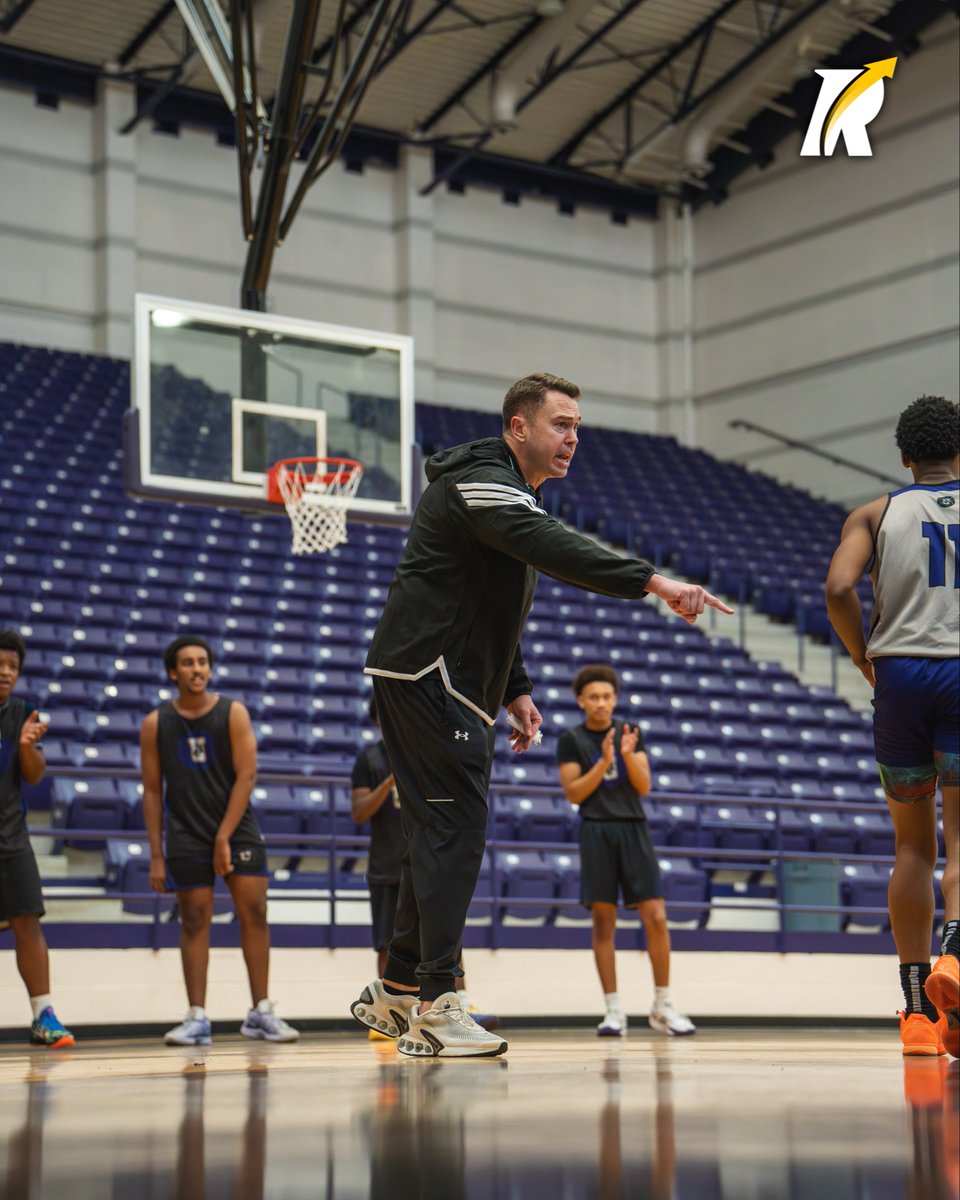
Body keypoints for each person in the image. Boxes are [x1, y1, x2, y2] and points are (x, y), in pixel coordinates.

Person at [349, 372, 732, 1057]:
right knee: (454, 833)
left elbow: (495, 604)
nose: (573, 438)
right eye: (561, 424)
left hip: (445, 679)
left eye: (578, 427)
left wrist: (514, 686)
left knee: (439, 831)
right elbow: (553, 549)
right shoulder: (483, 481)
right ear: (518, 427)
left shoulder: (509, 494)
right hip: (429, 675)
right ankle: (438, 1004)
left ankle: (399, 989)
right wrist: (653, 581)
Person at [825, 395, 959, 1058]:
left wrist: (861, 655)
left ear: (905, 458)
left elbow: (838, 588)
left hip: (900, 679)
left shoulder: (875, 513)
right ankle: (955, 959)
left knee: (913, 848)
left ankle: (916, 1018)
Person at [141, 635, 298, 1046]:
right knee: (193, 920)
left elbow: (247, 776)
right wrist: (157, 855)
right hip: (186, 831)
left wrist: (224, 837)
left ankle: (261, 1011)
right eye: (188, 663)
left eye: (203, 662)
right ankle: (197, 1017)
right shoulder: (156, 723)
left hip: (236, 827)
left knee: (255, 912)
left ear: (210, 669)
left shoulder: (233, 713)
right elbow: (153, 791)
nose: (197, 669)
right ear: (173, 672)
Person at [557, 664, 695, 1039]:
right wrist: (603, 761)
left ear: (615, 699)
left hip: (634, 828)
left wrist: (628, 755)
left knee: (656, 915)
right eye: (594, 697)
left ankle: (663, 1005)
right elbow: (574, 794)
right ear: (581, 700)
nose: (601, 703)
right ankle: (613, 1010)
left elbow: (644, 786)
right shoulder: (571, 739)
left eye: (607, 696)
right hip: (596, 829)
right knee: (604, 921)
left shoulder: (631, 732)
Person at [351, 696, 497, 1039]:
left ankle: (458, 1000)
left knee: (448, 931)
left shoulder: (428, 747)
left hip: (430, 853)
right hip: (389, 861)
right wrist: (390, 780)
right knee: (389, 940)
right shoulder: (370, 759)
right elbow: (359, 812)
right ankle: (393, 1004)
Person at [0, 629, 75, 1048]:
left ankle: (43, 1015)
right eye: (0, 664)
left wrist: (28, 745)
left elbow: (33, 775)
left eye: (12, 666)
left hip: (11, 839)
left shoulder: (24, 713)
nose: (5, 672)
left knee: (28, 925)